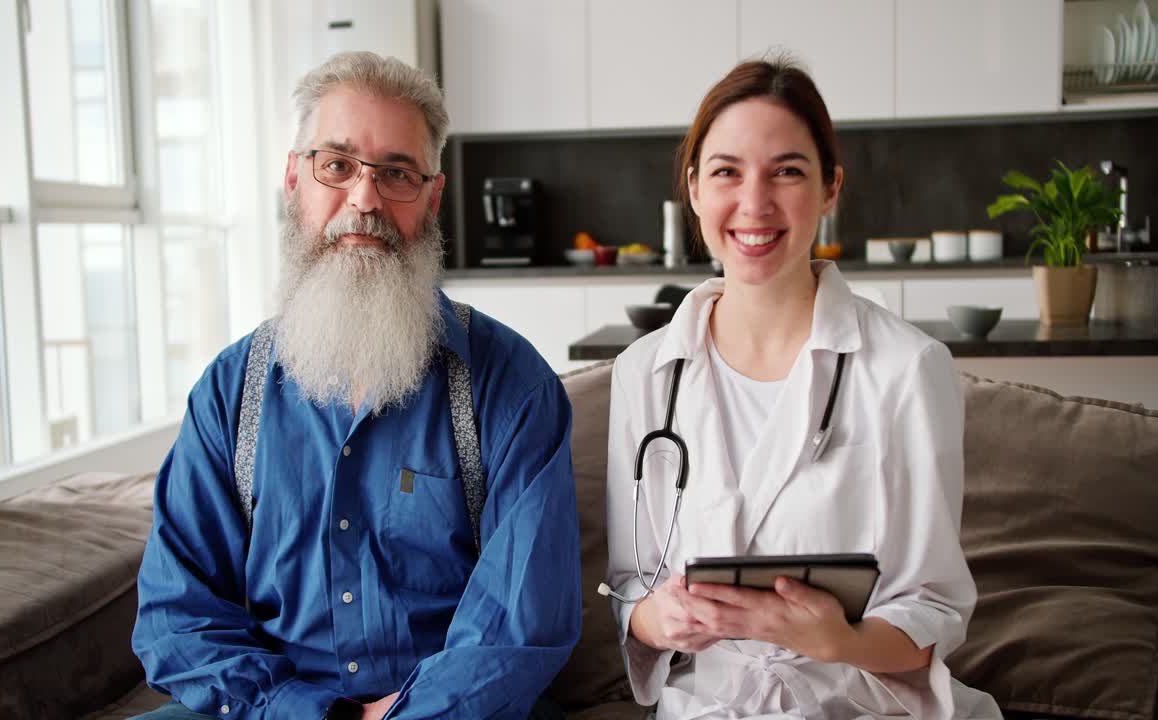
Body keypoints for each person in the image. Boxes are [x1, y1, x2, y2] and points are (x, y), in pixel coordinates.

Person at [131, 51, 580, 720]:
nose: (364, 199)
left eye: (396, 173)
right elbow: (176, 616)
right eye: (336, 165)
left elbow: (520, 630)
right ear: (294, 179)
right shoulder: (231, 392)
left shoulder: (511, 386)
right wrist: (313, 713)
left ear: (431, 195)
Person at [603, 57, 1003, 719]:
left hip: (858, 701)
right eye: (728, 171)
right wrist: (658, 619)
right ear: (695, 189)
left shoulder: (907, 369)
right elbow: (629, 592)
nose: (754, 203)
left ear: (829, 189)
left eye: (787, 171)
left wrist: (838, 638)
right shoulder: (645, 373)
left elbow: (932, 611)